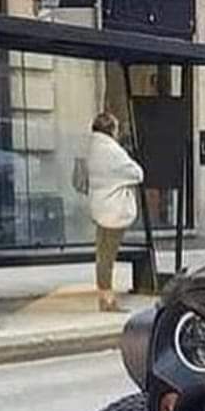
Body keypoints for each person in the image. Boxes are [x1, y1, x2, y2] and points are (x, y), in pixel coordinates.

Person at [86, 111, 144, 312]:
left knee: (102, 255)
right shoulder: (112, 151)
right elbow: (137, 173)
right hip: (113, 210)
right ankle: (107, 299)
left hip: (99, 207)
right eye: (116, 128)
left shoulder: (92, 148)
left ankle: (103, 296)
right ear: (111, 130)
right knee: (108, 257)